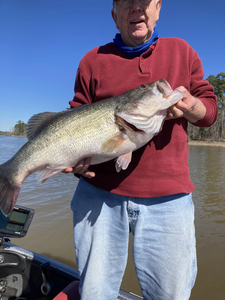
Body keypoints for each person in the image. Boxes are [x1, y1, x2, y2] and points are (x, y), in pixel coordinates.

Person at [64, 0, 218, 299]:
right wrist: (74, 161)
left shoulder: (182, 51)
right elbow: (74, 118)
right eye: (126, 2)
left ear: (158, 8)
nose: (136, 8)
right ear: (114, 15)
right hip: (97, 194)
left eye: (144, 1)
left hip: (169, 201)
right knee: (94, 293)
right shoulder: (91, 60)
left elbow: (209, 111)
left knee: (170, 295)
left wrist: (191, 107)